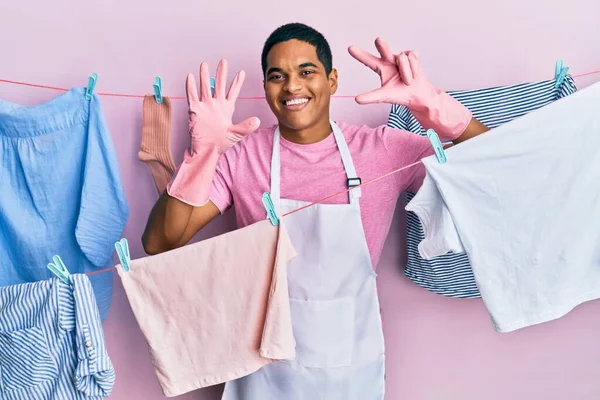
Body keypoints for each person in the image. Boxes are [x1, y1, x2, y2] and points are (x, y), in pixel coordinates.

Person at [142, 22, 489, 400]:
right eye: (278, 76)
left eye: (306, 71)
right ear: (266, 89)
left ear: (332, 80)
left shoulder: (383, 150)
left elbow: (488, 175)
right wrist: (202, 156)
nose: (292, 86)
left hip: (349, 368)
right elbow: (161, 242)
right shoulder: (242, 157)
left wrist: (437, 107)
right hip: (262, 371)